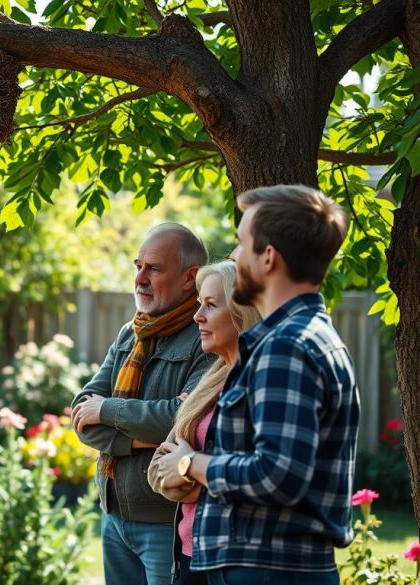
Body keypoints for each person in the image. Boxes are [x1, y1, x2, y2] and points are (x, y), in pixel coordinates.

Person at [154, 185, 358, 585]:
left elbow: (276, 474)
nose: (234, 259)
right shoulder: (303, 337)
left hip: (267, 569)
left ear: (268, 258)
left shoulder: (286, 347)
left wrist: (188, 463)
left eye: (241, 246)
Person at [71, 223, 216, 585]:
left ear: (190, 278)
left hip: (166, 524)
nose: (140, 278)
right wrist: (140, 439)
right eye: (138, 266)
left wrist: (108, 411)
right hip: (113, 519)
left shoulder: (207, 338)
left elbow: (182, 421)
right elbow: (81, 413)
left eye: (153, 268)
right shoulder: (130, 333)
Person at [146, 261, 260, 585]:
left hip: (232, 562)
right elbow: (158, 467)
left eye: (210, 305)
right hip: (188, 554)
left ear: (243, 312)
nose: (198, 316)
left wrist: (186, 468)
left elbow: (258, 478)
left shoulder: (259, 384)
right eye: (199, 304)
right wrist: (193, 475)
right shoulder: (213, 378)